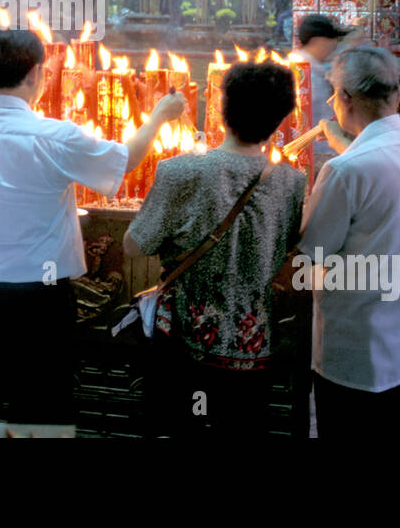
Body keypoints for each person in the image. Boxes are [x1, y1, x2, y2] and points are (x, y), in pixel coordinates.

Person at [0, 27, 187, 424]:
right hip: (39, 304)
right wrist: (157, 118)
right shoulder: (52, 136)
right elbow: (124, 160)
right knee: (42, 413)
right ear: (35, 75)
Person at [123, 60, 306, 434]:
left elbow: (133, 245)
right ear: (281, 118)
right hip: (253, 347)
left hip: (185, 343)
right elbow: (289, 246)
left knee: (181, 428)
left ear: (221, 109)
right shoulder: (292, 183)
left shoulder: (181, 171)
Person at [300, 45, 400, 437]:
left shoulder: (344, 171)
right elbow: (379, 175)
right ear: (393, 94)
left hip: (356, 349)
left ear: (344, 98)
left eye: (333, 93)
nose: (330, 102)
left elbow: (313, 251)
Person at [295, 13, 358, 166]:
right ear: (319, 40)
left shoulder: (313, 67)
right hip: (314, 156)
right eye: (332, 40)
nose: (334, 45)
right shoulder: (304, 74)